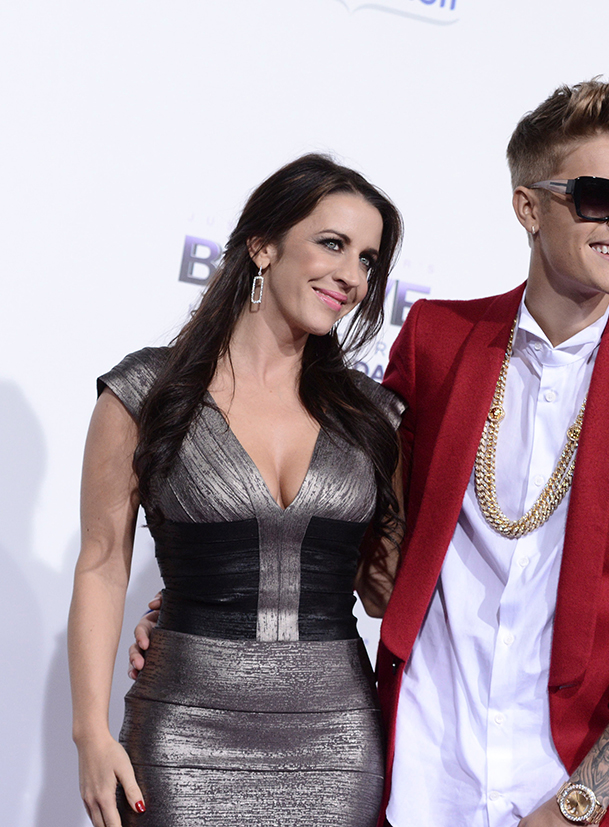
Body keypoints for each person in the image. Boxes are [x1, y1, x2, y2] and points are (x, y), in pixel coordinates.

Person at [376, 79, 609, 826]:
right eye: (597, 194)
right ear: (528, 206)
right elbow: (357, 525)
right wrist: (188, 606)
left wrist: (578, 801)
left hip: (581, 791)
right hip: (422, 772)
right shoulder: (437, 339)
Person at [68, 154, 405, 827]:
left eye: (368, 259)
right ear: (262, 245)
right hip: (183, 726)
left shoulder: (374, 416)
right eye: (332, 244)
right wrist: (90, 735)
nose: (351, 275)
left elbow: (392, 589)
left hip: (336, 738)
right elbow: (103, 564)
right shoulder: (145, 393)